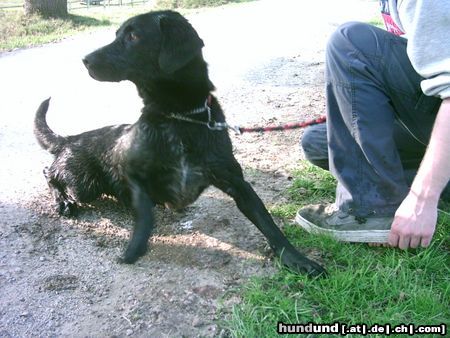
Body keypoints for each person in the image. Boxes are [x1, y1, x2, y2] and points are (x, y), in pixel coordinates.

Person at [296, 0, 450, 249]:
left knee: (351, 42)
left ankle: (375, 211)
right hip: (427, 120)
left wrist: (423, 199)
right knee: (318, 142)